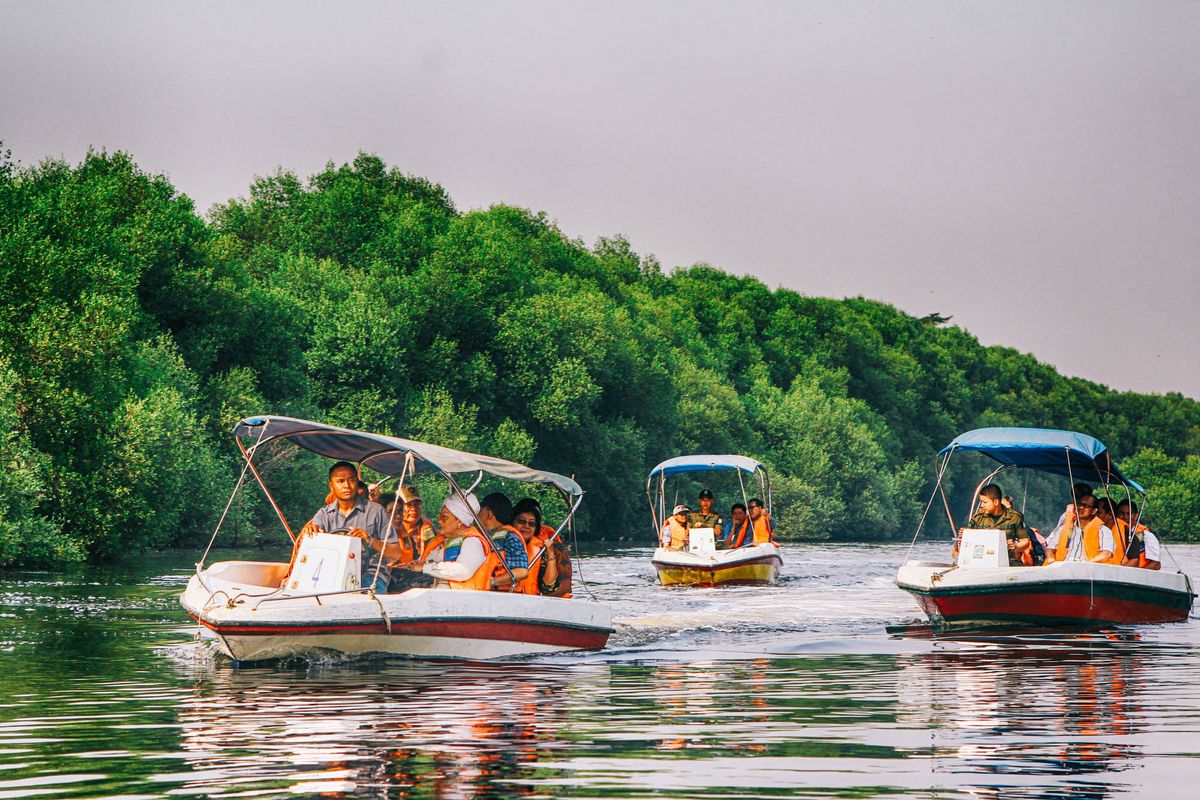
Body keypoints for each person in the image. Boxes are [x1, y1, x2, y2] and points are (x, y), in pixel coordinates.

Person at [300, 461, 401, 593]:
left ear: (357, 482)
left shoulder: (377, 511)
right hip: (332, 574)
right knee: (306, 590)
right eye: (340, 481)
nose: (347, 485)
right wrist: (311, 533)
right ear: (331, 486)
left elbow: (395, 553)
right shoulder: (323, 514)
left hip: (370, 574)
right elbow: (314, 543)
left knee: (365, 590)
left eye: (351, 480)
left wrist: (369, 540)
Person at [420, 493, 494, 588]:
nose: (439, 521)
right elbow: (426, 563)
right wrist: (416, 564)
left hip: (458, 599)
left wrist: (425, 568)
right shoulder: (440, 542)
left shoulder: (472, 541)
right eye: (439, 517)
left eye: (444, 517)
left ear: (459, 521)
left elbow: (463, 570)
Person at [963, 483, 1029, 566]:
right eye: (981, 502)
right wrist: (964, 536)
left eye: (985, 502)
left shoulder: (1014, 517)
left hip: (1008, 562)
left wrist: (1015, 546)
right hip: (981, 561)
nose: (982, 505)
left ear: (996, 502)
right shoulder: (977, 518)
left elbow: (1025, 542)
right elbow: (967, 543)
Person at [478, 492, 529, 589]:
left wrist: (491, 582)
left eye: (480, 509)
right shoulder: (482, 536)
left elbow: (521, 572)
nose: (477, 513)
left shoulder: (510, 537)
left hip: (503, 598)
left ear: (489, 513)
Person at [1116, 499, 1161, 570]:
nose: (1125, 517)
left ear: (1136, 516)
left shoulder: (1146, 536)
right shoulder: (1112, 532)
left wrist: (1137, 575)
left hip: (1137, 576)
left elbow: (1156, 564)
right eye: (1121, 513)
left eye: (1129, 513)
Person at [397, 484, 435, 549]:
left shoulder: (427, 529)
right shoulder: (390, 528)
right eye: (408, 504)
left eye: (417, 504)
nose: (413, 508)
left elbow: (432, 549)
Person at [1095, 497, 1128, 566]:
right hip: (1091, 571)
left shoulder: (1126, 531)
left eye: (1098, 513)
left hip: (1115, 573)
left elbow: (1134, 559)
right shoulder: (1091, 529)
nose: (1095, 515)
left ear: (1110, 514)